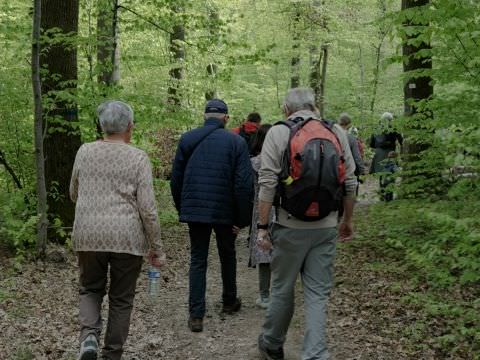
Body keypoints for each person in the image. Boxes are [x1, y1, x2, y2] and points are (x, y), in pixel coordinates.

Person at [256, 88, 357, 360]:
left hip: (289, 226)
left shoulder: (279, 132)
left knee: (282, 287)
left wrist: (262, 227)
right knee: (317, 293)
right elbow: (349, 182)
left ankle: (273, 343)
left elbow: (266, 183)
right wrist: (347, 220)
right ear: (314, 106)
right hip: (326, 226)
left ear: (286, 109)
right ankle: (315, 354)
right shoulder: (336, 131)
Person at [70, 100, 166, 360]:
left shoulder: (84, 151)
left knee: (90, 288)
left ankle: (89, 337)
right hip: (126, 236)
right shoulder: (138, 157)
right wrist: (156, 248)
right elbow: (147, 208)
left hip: (88, 233)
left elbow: (73, 192)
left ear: (102, 125)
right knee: (121, 298)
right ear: (129, 127)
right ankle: (112, 355)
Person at [170, 99, 254, 333]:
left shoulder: (187, 139)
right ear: (226, 118)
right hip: (226, 210)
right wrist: (241, 219)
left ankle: (196, 315)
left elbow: (176, 179)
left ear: (204, 116)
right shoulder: (237, 142)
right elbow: (244, 185)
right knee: (227, 254)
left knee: (198, 259)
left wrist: (183, 208)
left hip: (195, 208)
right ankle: (229, 301)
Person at [248, 124, 274, 310]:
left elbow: (248, 190)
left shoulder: (254, 163)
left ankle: (265, 295)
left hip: (261, 209)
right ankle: (280, 294)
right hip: (282, 210)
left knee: (263, 252)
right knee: (280, 252)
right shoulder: (283, 160)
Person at [369, 112, 403, 200]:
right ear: (390, 119)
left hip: (378, 153)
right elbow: (401, 140)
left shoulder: (376, 128)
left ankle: (382, 194)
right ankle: (389, 196)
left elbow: (371, 144)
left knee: (381, 174)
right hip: (390, 153)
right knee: (390, 173)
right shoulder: (393, 127)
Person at [338, 113, 366, 177]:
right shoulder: (351, 138)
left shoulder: (332, 134)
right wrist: (362, 170)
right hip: (348, 170)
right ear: (349, 124)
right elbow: (357, 157)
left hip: (334, 170)